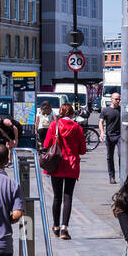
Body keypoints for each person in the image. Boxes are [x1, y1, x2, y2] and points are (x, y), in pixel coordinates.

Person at [42, 102, 86, 240]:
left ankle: (55, 226)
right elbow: (83, 150)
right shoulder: (77, 128)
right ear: (72, 113)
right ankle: (64, 228)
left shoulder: (54, 125)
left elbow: (46, 145)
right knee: (68, 196)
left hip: (57, 164)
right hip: (72, 165)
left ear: (60, 113)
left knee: (57, 197)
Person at [99, 91, 122, 184]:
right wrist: (102, 132)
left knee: (121, 155)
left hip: (119, 136)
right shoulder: (105, 110)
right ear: (111, 99)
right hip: (109, 136)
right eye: (116, 99)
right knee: (110, 157)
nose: (118, 101)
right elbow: (101, 122)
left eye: (119, 99)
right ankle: (111, 177)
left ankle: (122, 176)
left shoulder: (121, 110)